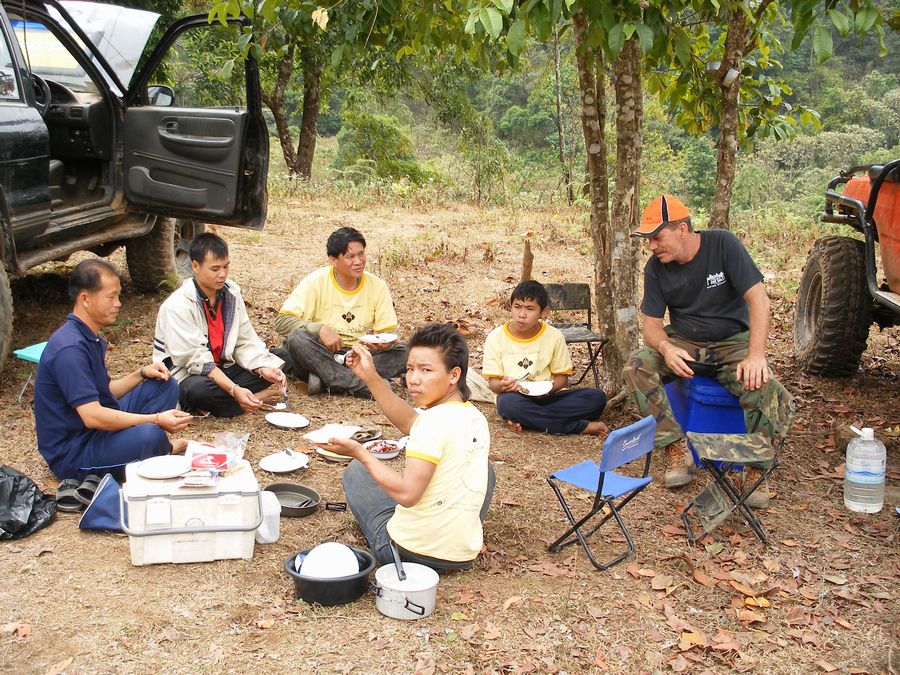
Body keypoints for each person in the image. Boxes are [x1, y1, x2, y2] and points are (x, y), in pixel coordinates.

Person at [622, 194, 784, 505]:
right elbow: (652, 327)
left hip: (732, 342)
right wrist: (666, 348)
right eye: (648, 240)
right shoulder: (656, 268)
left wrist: (755, 355)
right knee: (637, 367)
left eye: (657, 237)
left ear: (682, 229)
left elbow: (759, 301)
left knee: (765, 386)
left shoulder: (723, 245)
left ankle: (755, 468)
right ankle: (675, 448)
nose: (652, 246)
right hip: (685, 343)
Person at [319, 323, 495, 570]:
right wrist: (370, 377)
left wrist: (360, 453)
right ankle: (453, 536)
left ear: (454, 375)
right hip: (462, 556)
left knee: (358, 471)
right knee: (484, 468)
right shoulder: (475, 417)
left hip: (406, 553)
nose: (413, 379)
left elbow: (407, 496)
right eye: (410, 369)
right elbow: (409, 422)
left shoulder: (431, 424)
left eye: (426, 370)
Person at [34, 259, 192, 481]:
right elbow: (92, 416)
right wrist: (156, 419)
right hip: (75, 452)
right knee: (151, 434)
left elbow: (104, 391)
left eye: (118, 296)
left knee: (164, 386)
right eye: (111, 297)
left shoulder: (87, 336)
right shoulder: (70, 349)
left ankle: (149, 448)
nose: (118, 304)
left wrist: (141, 373)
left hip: (98, 431)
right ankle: (155, 449)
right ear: (85, 299)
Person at [153, 233, 289, 418]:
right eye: (215, 269)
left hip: (224, 367)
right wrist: (234, 389)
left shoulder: (231, 294)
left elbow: (244, 340)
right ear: (195, 266)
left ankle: (232, 399)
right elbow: (196, 360)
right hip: (189, 374)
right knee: (196, 390)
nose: (222, 274)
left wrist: (262, 368)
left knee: (280, 358)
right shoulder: (177, 305)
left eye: (226, 266)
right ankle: (251, 399)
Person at [275, 227, 406, 398]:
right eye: (350, 257)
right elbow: (282, 322)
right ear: (333, 260)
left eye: (361, 254)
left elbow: (389, 332)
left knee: (409, 351)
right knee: (297, 339)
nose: (358, 261)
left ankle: (326, 379)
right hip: (321, 351)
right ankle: (361, 384)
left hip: (357, 356)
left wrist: (387, 343)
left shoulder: (377, 286)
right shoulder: (316, 281)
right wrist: (319, 329)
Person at [482, 280, 608, 436]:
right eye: (517, 306)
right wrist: (504, 386)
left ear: (544, 312)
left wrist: (548, 390)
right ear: (510, 306)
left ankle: (529, 419)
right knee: (508, 405)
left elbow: (562, 379)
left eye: (530, 309)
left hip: (549, 397)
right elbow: (493, 385)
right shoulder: (496, 337)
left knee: (597, 398)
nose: (522, 314)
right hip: (516, 397)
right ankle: (579, 426)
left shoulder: (554, 336)